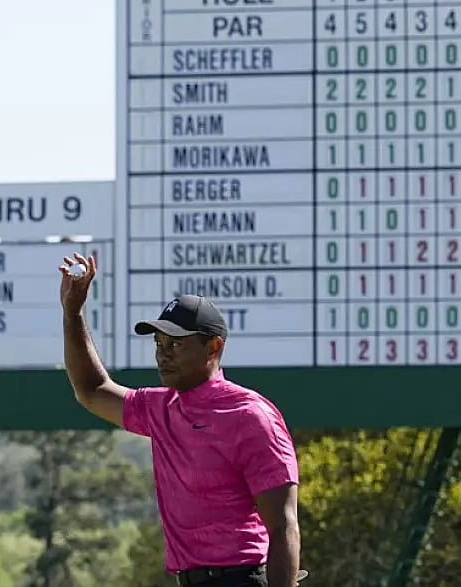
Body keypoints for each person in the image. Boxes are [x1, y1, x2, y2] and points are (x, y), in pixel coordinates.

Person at [58, 251, 303, 587]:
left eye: (175, 343)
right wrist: (73, 314)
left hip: (241, 579)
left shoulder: (250, 415)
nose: (163, 353)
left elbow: (283, 525)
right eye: (159, 342)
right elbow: (92, 389)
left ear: (213, 347)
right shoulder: (160, 407)